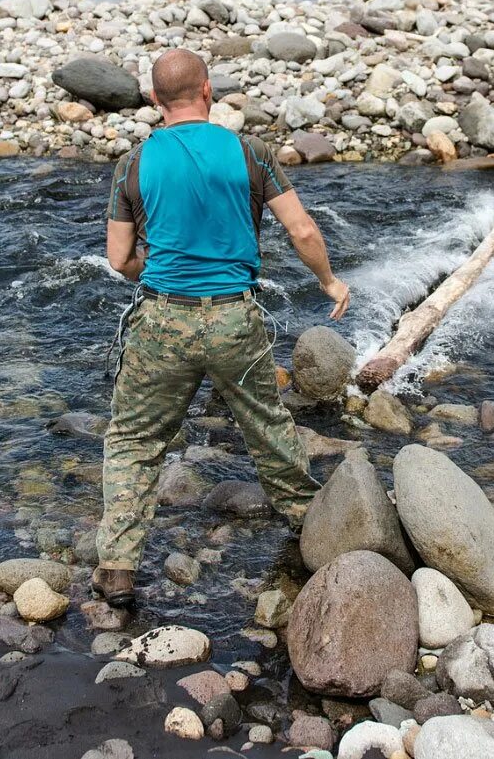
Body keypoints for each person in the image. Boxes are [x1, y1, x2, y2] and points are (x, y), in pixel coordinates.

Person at [93, 48, 350, 609]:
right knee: (268, 427)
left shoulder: (133, 162)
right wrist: (329, 282)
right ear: (207, 91)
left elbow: (118, 258)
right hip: (236, 315)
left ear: (155, 100)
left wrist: (154, 267)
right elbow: (302, 229)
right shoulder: (248, 151)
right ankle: (318, 538)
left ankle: (116, 568)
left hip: (163, 317)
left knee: (136, 441)